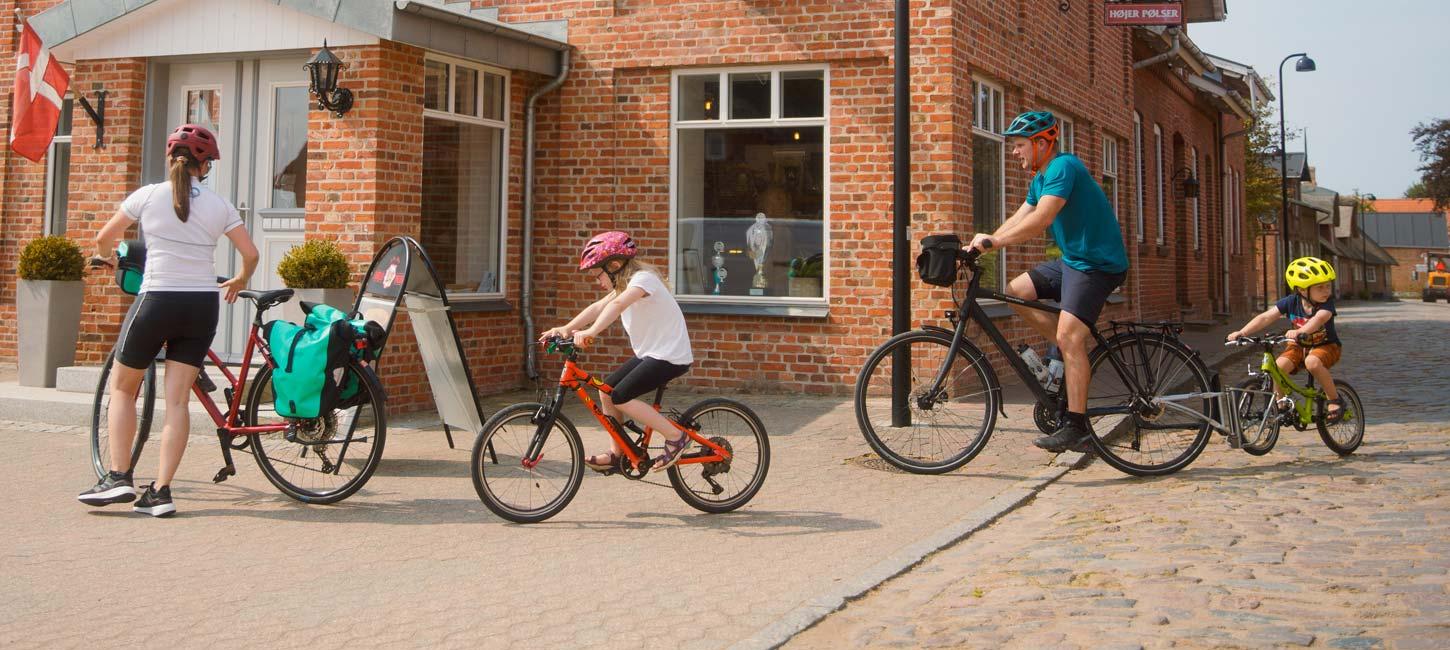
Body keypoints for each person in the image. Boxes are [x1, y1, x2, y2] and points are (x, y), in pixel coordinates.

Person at [77, 124, 260, 517]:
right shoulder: (219, 205)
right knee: (177, 401)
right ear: (205, 164)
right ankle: (160, 493)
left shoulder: (147, 196)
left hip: (158, 299)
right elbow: (251, 253)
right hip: (201, 307)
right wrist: (241, 278)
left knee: (124, 389)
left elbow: (105, 238)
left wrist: (107, 257)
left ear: (170, 156)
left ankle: (118, 477)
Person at [966, 110, 1130, 453]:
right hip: (1073, 263)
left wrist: (994, 243)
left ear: (1042, 143)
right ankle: (1063, 354)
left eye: (1021, 144)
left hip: (1098, 265)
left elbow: (1041, 219)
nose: (1014, 152)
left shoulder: (1062, 167)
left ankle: (1077, 425)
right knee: (1014, 292)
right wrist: (984, 244)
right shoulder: (1040, 178)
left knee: (1071, 338)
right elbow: (1020, 215)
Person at [540, 231, 695, 471]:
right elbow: (597, 307)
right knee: (606, 391)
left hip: (670, 356)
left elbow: (618, 305)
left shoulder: (644, 280)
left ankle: (676, 438)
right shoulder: (625, 285)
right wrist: (566, 329)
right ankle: (617, 453)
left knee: (621, 396)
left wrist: (592, 332)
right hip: (651, 354)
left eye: (597, 274)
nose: (597, 280)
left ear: (614, 265)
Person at [1227, 257, 1344, 421]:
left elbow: (1319, 320)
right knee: (1277, 369)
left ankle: (1334, 399)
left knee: (1312, 363)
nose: (1326, 291)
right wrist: (1243, 332)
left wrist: (1301, 330)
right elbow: (1266, 317)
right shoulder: (1291, 302)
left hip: (1326, 346)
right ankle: (1280, 405)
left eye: (1327, 286)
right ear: (1302, 290)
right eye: (1320, 287)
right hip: (1298, 346)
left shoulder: (1326, 304)